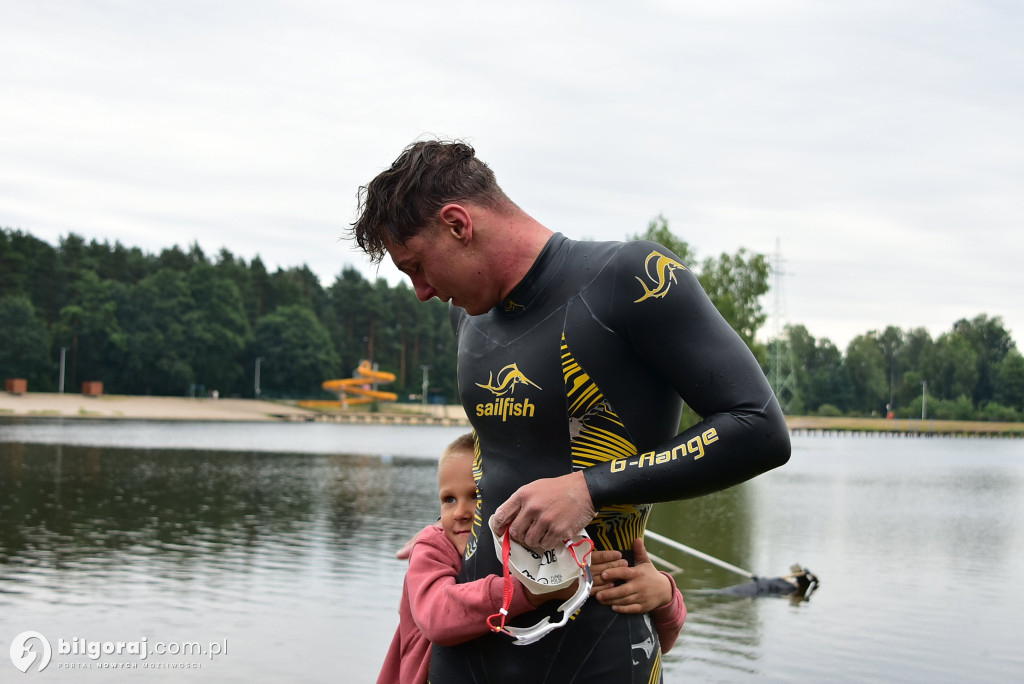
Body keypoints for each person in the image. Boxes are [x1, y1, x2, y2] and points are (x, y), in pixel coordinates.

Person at [351, 140, 790, 682]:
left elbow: (758, 428)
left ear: (458, 224)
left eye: (416, 266)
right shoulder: (466, 316)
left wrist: (588, 489)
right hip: (471, 647)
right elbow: (507, 458)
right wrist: (440, 537)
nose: (420, 291)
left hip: (600, 640)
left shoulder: (630, 278)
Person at [378, 433, 686, 684]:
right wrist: (532, 591)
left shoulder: (553, 552)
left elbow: (653, 643)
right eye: (448, 499)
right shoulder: (433, 548)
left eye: (477, 496)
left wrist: (663, 594)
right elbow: (437, 618)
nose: (460, 512)